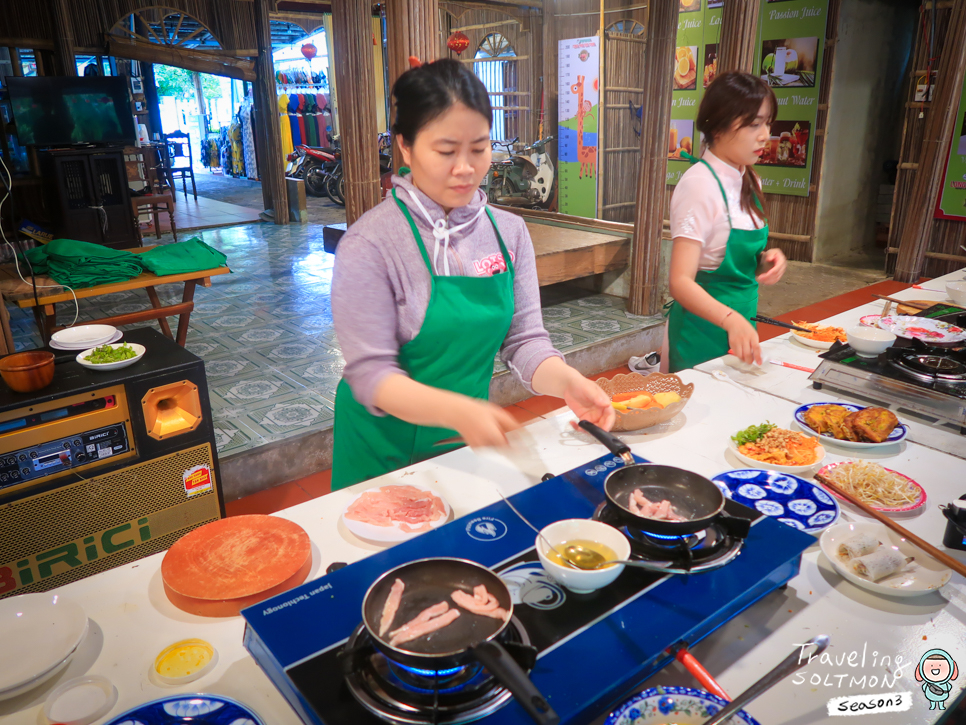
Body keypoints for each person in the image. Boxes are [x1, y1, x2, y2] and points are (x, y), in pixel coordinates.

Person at [330, 58, 614, 490]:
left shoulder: (509, 232)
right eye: (446, 151)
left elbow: (524, 339)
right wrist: (461, 412)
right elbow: (372, 377)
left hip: (464, 447)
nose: (465, 167)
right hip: (381, 456)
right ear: (405, 146)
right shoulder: (370, 245)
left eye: (479, 148)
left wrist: (570, 382)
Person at [664, 72, 787, 373]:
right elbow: (680, 282)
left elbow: (730, 260)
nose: (765, 135)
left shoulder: (749, 177)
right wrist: (730, 320)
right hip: (701, 333)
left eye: (768, 122)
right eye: (754, 124)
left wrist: (765, 260)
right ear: (718, 126)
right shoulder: (699, 185)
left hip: (742, 328)